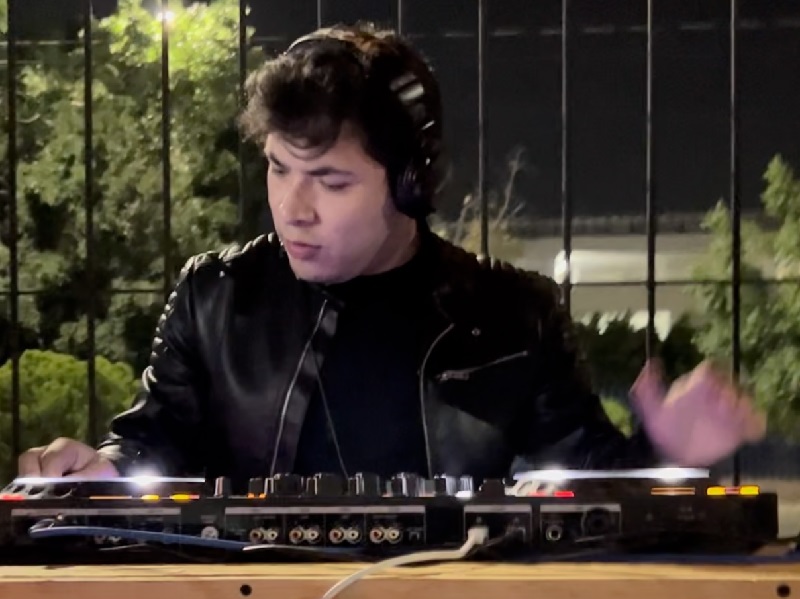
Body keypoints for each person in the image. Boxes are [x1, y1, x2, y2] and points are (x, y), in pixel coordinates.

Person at [17, 23, 765, 490]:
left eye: (331, 180)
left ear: (411, 183)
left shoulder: (512, 315)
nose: (293, 207)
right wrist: (97, 471)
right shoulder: (216, 297)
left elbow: (589, 484)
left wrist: (668, 451)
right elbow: (150, 446)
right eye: (278, 168)